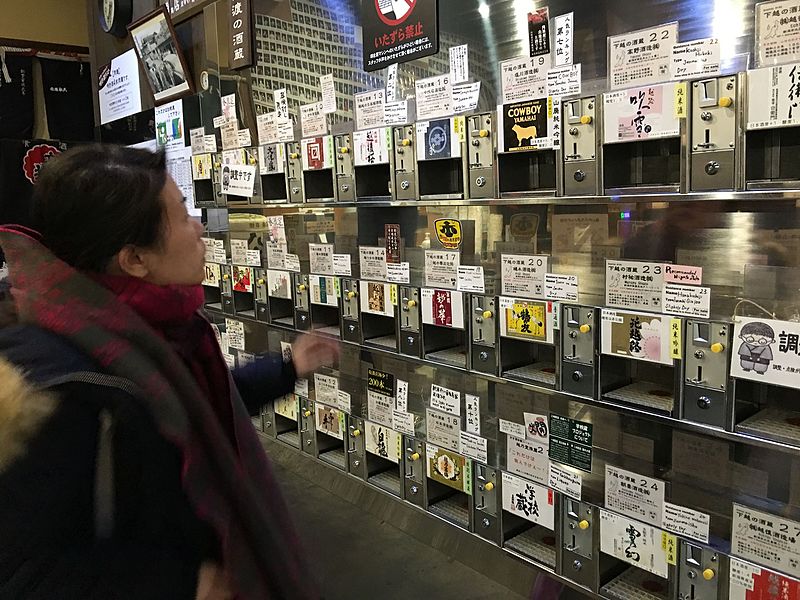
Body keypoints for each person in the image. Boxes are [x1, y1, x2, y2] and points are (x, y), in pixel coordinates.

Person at [0, 145, 339, 599]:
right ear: (135, 259)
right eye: (182, 215)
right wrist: (181, 583)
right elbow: (24, 572)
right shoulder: (59, 387)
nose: (198, 227)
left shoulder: (146, 333)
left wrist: (286, 369)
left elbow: (186, 411)